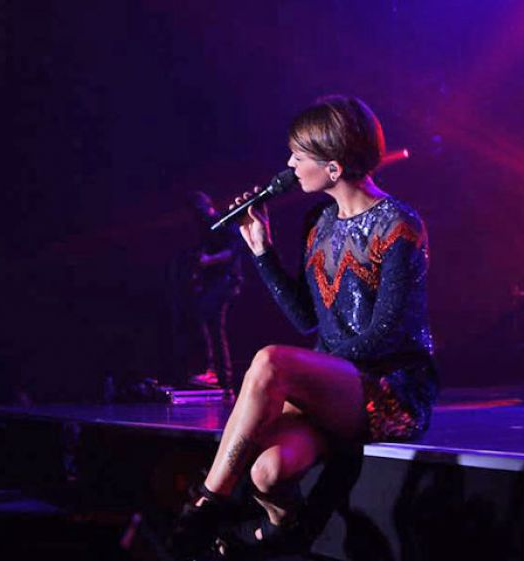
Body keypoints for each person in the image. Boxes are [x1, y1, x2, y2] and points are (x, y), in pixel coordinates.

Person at [171, 95, 439, 558]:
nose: (289, 165)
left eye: (298, 156)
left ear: (333, 167)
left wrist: (308, 378)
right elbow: (307, 319)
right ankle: (285, 531)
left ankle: (205, 505)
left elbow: (386, 334)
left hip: (388, 389)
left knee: (270, 361)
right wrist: (262, 250)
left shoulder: (398, 225)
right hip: (333, 386)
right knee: (268, 471)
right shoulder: (319, 220)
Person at [172, 191, 244, 392]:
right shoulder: (205, 229)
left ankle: (217, 373)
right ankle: (218, 375)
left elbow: (233, 251)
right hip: (215, 283)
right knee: (208, 322)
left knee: (208, 319)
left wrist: (208, 261)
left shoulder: (223, 223)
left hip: (227, 281)